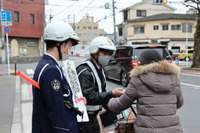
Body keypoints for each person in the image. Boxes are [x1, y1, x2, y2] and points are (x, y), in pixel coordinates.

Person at [108, 49, 184, 133]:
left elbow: (119, 105)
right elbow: (179, 103)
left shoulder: (138, 79)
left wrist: (110, 100)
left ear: (142, 63)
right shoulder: (174, 78)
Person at [32, 21, 80, 133]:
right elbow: (56, 111)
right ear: (62, 45)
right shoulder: (51, 70)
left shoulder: (46, 64)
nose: (69, 51)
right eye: (69, 46)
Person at [76, 36, 123, 133]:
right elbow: (90, 96)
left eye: (109, 54)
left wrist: (117, 104)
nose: (107, 56)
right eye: (104, 53)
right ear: (95, 52)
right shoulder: (85, 70)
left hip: (93, 116)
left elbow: (101, 93)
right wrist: (112, 93)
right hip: (83, 118)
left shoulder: (100, 68)